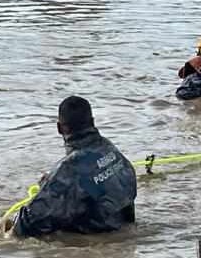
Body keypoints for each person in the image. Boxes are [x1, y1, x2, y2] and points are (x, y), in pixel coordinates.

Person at [10, 96, 137, 237]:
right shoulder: (109, 148)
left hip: (96, 240)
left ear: (59, 128)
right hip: (121, 228)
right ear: (92, 122)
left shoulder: (68, 168)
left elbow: (25, 224)